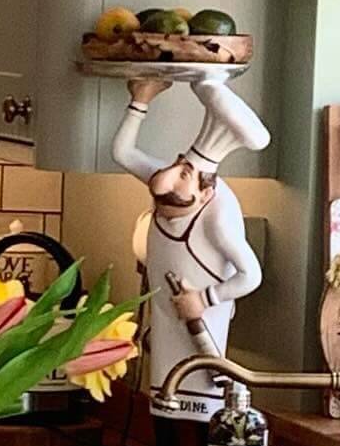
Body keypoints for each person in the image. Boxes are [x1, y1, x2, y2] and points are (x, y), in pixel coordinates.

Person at [112, 74, 271, 421]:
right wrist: (141, 100)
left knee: (198, 401)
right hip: (166, 316)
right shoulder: (175, 182)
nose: (164, 213)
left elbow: (251, 275)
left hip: (203, 325)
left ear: (204, 193)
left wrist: (204, 299)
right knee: (163, 397)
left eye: (182, 175)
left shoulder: (218, 219)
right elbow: (122, 153)